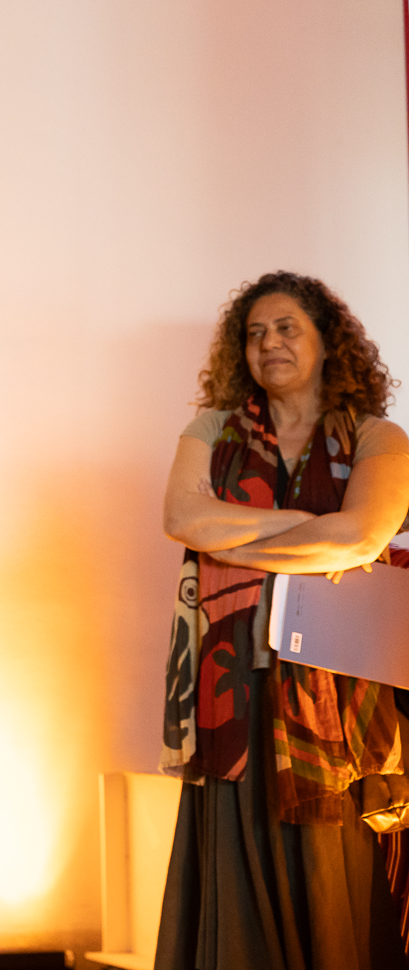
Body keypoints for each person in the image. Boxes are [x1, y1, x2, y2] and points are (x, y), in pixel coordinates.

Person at [155, 271, 409, 969]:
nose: (269, 342)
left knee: (329, 880)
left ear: (328, 341)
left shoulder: (378, 436)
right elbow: (181, 517)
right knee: (234, 875)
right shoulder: (211, 429)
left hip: (336, 695)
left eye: (287, 327)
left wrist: (232, 537)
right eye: (255, 332)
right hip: (230, 688)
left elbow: (362, 534)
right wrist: (306, 525)